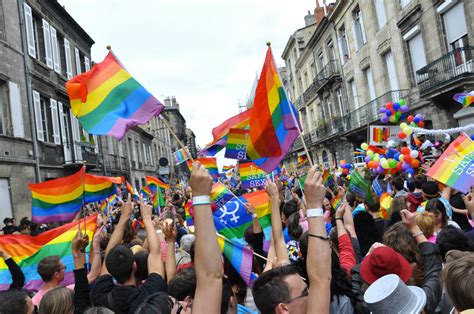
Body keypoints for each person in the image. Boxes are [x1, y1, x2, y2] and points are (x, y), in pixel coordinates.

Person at [90, 195, 168, 313]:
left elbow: (108, 256)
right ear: (134, 265)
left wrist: (124, 217)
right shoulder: (151, 293)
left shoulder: (100, 296)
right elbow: (155, 254)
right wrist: (147, 219)